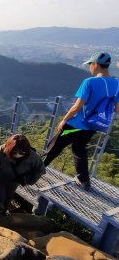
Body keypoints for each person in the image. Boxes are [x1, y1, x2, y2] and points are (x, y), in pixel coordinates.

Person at [44, 51, 119, 191]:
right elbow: (116, 108)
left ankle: (34, 171)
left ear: (96, 64)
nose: (90, 67)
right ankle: (84, 180)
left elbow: (77, 106)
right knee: (78, 148)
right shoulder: (116, 83)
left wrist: (64, 120)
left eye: (90, 64)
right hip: (95, 125)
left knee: (54, 146)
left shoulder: (89, 82)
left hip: (78, 123)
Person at [0, 134, 45, 213]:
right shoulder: (0, 151)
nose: (18, 155)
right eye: (14, 152)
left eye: (21, 152)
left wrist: (29, 179)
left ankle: (3, 214)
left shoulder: (32, 156)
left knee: (7, 200)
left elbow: (40, 169)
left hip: (14, 180)